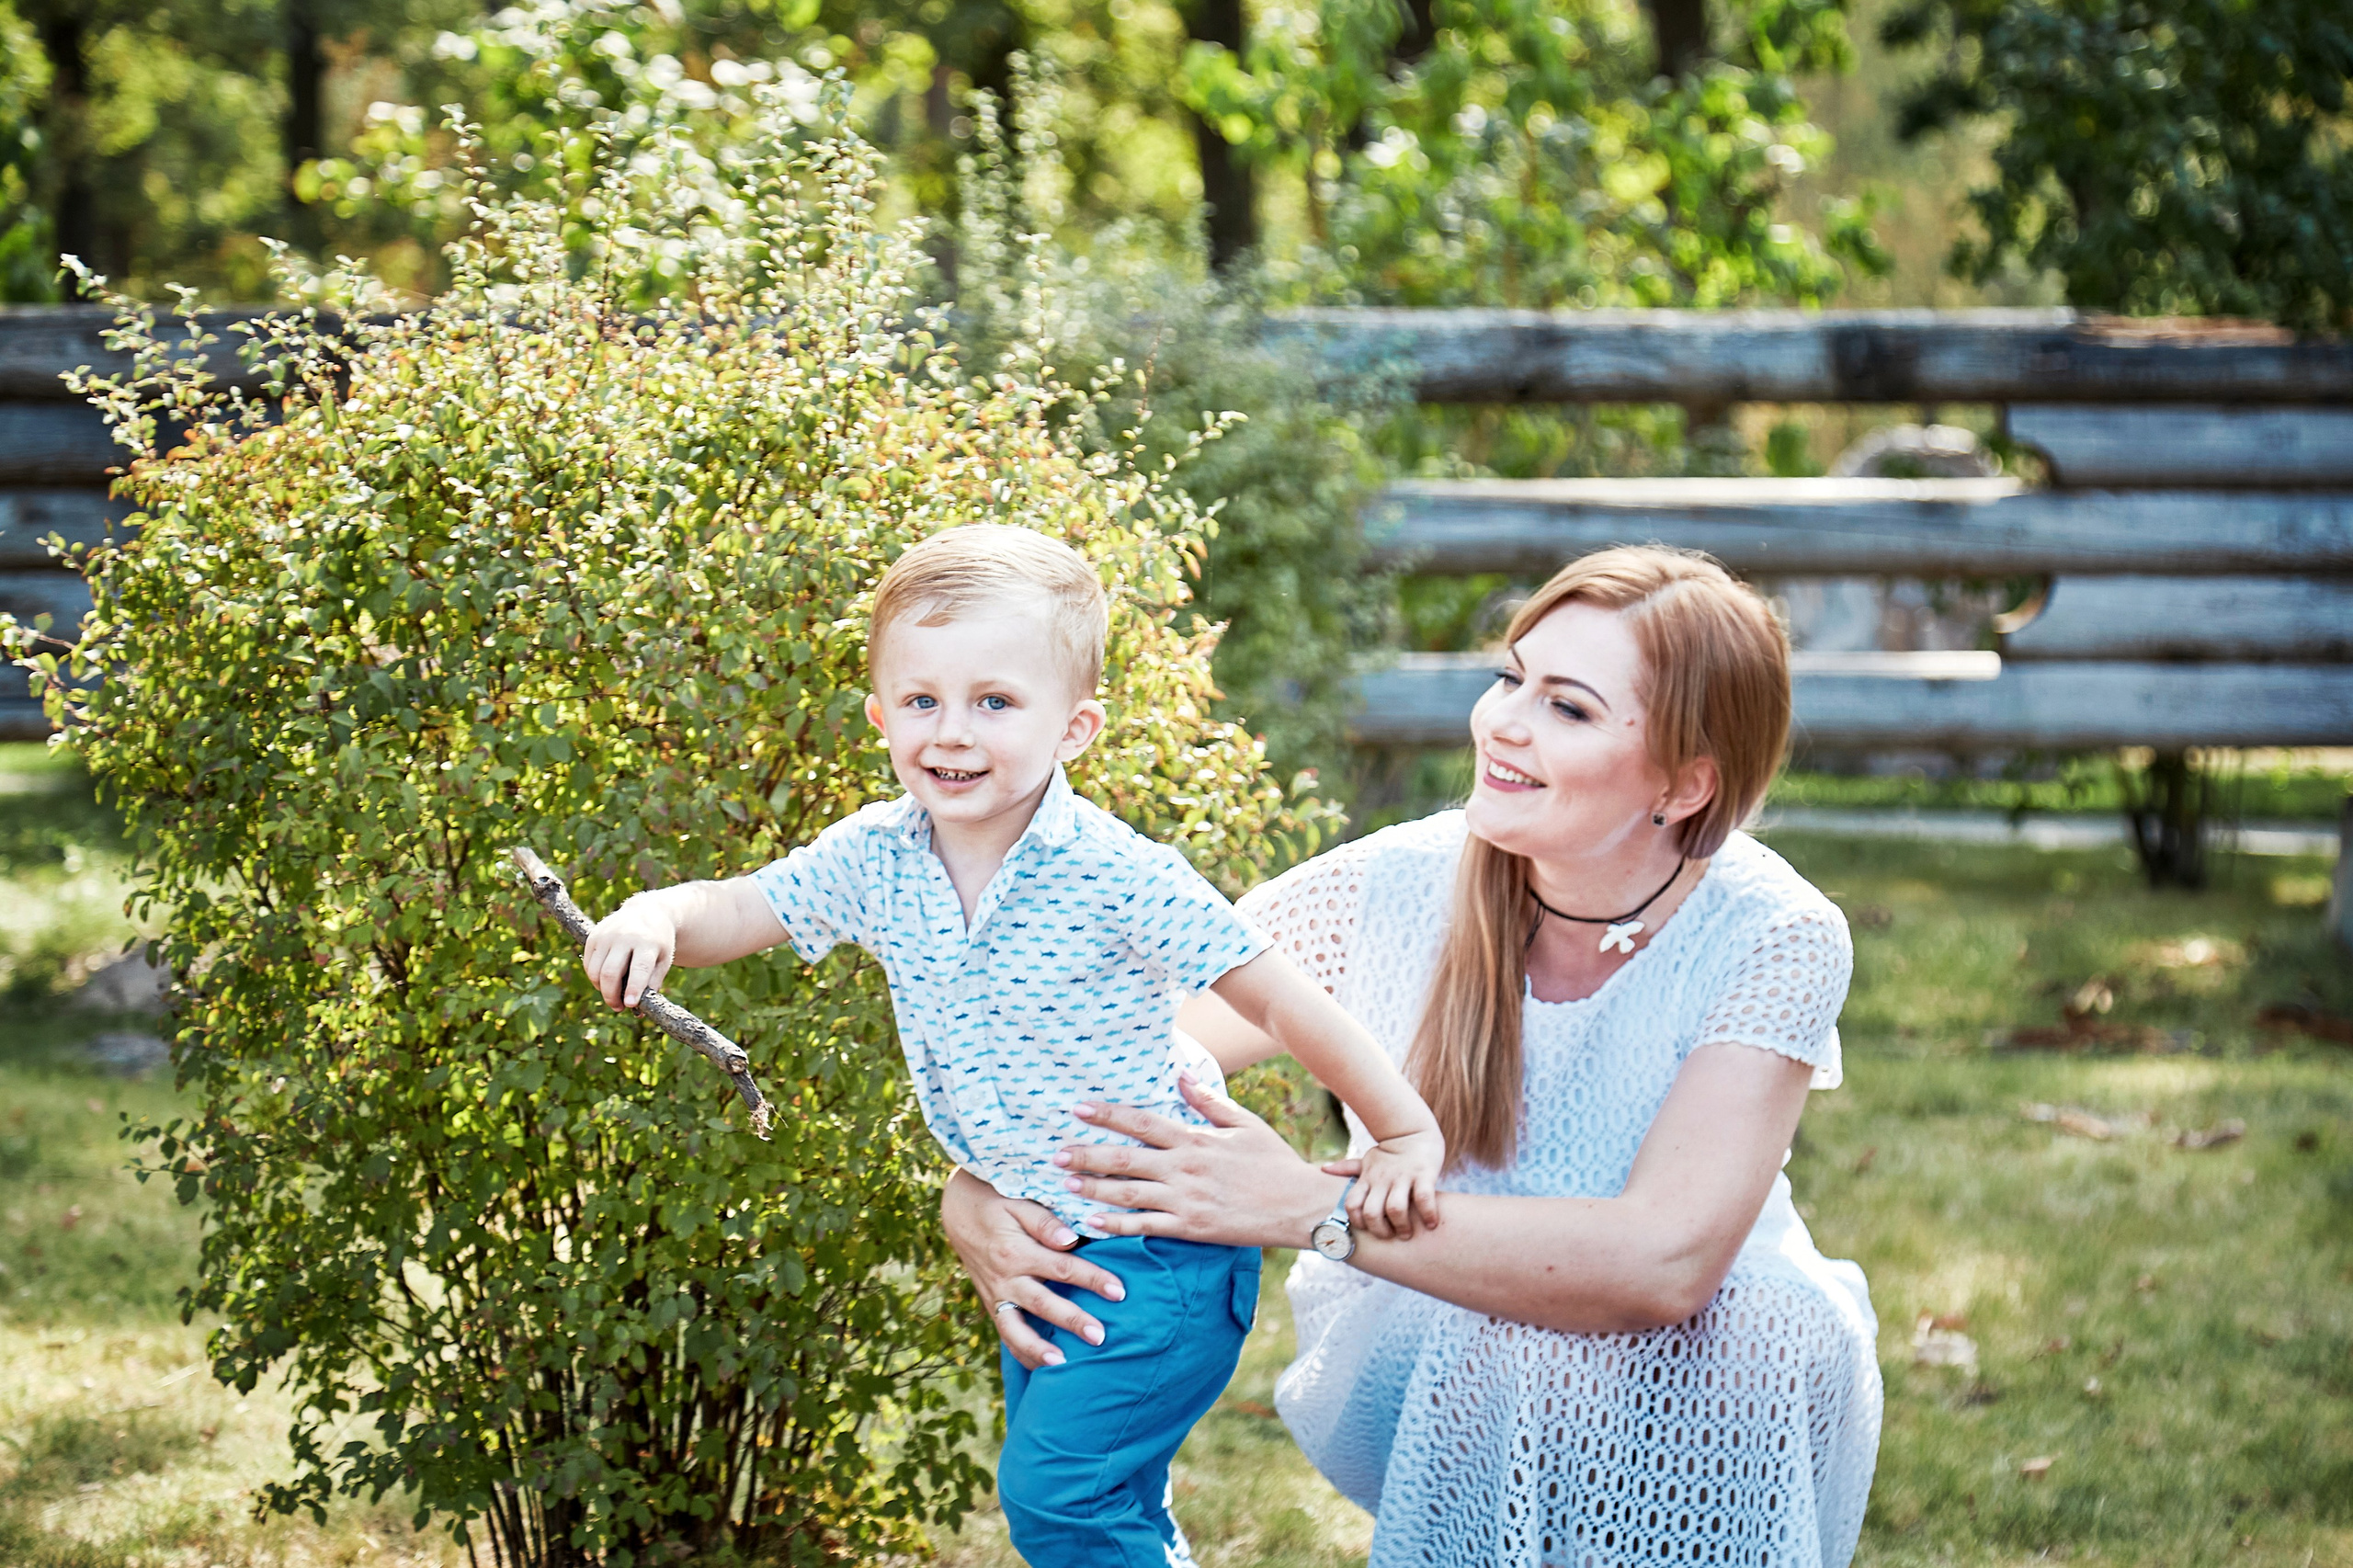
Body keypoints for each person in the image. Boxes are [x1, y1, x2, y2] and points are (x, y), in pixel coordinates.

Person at [943, 545, 1884, 1568]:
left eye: (1567, 707)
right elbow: (1100, 1055)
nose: (1504, 724)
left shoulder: (1773, 929)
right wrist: (976, 1186)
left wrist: (1302, 1203)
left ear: (1686, 781)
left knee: (1756, 1319)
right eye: (1509, 677)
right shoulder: (1386, 888)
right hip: (1425, 1319)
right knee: (1515, 1343)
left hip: (1711, 1351)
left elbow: (1667, 1261)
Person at [576, 523, 1446, 1568]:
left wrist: (1397, 1126)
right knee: (1102, 1504)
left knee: (1058, 1498)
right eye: (921, 700)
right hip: (1044, 1239)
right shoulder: (876, 854)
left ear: (1074, 727)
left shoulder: (1118, 874)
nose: (952, 731)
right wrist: (658, 917)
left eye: (994, 701)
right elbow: (743, 904)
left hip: (1156, 1243)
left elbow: (1279, 996)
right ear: (878, 714)